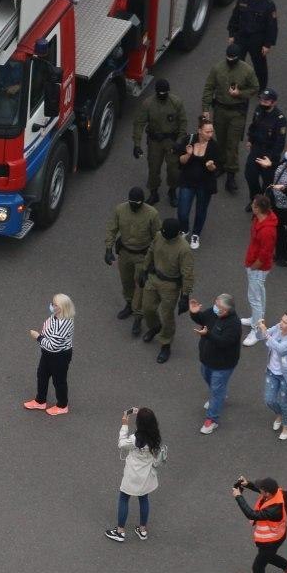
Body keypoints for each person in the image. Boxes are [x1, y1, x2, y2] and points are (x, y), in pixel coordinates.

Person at [201, 43, 259, 194]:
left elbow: (254, 88)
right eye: (227, 58)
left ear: (238, 58)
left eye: (232, 58)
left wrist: (239, 93)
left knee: (232, 144)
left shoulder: (247, 70)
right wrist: (206, 109)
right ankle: (220, 164)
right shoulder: (218, 68)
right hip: (220, 109)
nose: (229, 60)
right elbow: (209, 88)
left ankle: (231, 175)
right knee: (221, 140)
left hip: (237, 112)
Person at [231, 476, 287, 573]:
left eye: (261, 488)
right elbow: (260, 490)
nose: (259, 490)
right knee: (267, 557)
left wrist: (238, 496)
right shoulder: (278, 492)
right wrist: (248, 484)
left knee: (258, 566)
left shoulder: (275, 510)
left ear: (267, 492)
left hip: (271, 540)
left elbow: (251, 514)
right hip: (275, 536)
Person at [138, 218, 194, 364]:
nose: (163, 235)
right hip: (153, 277)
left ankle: (165, 343)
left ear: (175, 234)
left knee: (166, 315)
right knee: (147, 308)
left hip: (170, 285)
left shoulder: (184, 249)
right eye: (162, 232)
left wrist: (185, 295)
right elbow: (150, 252)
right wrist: (144, 270)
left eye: (166, 233)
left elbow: (187, 273)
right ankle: (155, 327)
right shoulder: (158, 236)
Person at [104, 187, 160, 326]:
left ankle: (138, 316)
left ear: (142, 202)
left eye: (137, 203)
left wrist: (152, 262)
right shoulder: (120, 210)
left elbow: (157, 238)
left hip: (143, 255)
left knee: (140, 284)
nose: (134, 205)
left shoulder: (152, 214)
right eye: (132, 202)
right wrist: (108, 249)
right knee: (126, 281)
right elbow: (112, 229)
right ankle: (129, 304)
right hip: (125, 253)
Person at [104, 407, 162, 543]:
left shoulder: (135, 439)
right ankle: (142, 530)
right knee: (143, 498)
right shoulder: (155, 436)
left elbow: (121, 444)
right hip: (146, 474)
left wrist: (124, 424)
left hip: (133, 474)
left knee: (124, 497)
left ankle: (120, 531)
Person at [190, 294, 243, 434]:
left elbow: (223, 342)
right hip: (207, 359)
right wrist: (194, 314)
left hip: (223, 364)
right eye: (216, 304)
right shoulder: (214, 312)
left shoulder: (234, 325)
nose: (215, 308)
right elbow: (202, 319)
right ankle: (219, 396)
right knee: (207, 377)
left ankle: (211, 420)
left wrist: (207, 335)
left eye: (219, 307)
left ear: (226, 310)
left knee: (217, 388)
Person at [132, 78, 187, 205]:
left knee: (174, 168)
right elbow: (139, 123)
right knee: (153, 167)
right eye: (160, 93)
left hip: (171, 140)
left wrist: (179, 142)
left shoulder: (176, 103)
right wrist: (137, 144)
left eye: (165, 93)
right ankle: (154, 192)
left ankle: (172, 191)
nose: (162, 96)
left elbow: (183, 123)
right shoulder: (148, 104)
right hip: (154, 141)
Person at [23, 293, 75, 415]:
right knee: (42, 375)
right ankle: (40, 401)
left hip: (59, 356)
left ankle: (62, 406)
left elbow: (53, 345)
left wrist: (38, 337)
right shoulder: (56, 316)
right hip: (48, 353)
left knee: (59, 381)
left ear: (61, 308)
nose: (51, 306)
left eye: (54, 304)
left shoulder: (64, 324)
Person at [176, 118, 220, 249]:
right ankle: (184, 229)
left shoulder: (214, 146)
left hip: (205, 184)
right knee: (182, 211)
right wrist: (188, 155)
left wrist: (211, 166)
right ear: (199, 130)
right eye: (207, 131)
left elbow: (215, 169)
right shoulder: (188, 141)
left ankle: (196, 234)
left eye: (211, 131)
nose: (210, 134)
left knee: (201, 211)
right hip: (187, 181)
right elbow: (181, 162)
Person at [227, 0, 278, 87]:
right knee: (237, 63)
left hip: (257, 40)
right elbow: (234, 17)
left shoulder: (268, 4)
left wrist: (267, 45)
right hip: (241, 37)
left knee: (259, 66)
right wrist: (231, 34)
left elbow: (272, 27)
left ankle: (262, 88)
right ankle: (237, 84)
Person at [256, 312, 287, 440]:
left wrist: (266, 333)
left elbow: (280, 349)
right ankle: (280, 414)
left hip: (285, 375)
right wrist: (260, 328)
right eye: (281, 320)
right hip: (271, 371)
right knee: (269, 400)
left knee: (284, 402)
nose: (281, 323)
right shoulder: (277, 327)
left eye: (285, 322)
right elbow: (260, 336)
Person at [241, 195, 277, 346]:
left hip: (258, 267)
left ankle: (258, 331)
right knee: (258, 294)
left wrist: (253, 266)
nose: (252, 206)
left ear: (258, 209)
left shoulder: (267, 230)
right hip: (256, 264)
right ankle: (257, 320)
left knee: (254, 298)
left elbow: (265, 253)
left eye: (254, 205)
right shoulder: (261, 220)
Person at [242, 89, 285, 206]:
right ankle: (255, 200)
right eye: (262, 100)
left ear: (273, 103)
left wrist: (270, 159)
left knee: (267, 183)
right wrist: (250, 139)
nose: (263, 103)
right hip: (257, 149)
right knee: (250, 175)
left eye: (266, 102)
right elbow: (253, 126)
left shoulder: (280, 119)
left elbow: (280, 142)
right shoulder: (258, 110)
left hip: (269, 154)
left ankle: (264, 205)